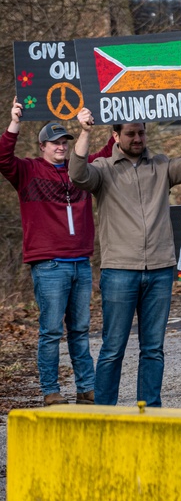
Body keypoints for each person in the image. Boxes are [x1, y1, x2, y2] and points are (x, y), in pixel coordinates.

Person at [69, 99, 181, 407]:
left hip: (161, 269)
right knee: (113, 347)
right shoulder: (103, 170)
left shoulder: (161, 165)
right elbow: (77, 176)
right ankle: (104, 413)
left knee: (153, 347)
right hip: (119, 271)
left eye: (141, 133)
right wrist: (84, 133)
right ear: (115, 135)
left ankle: (150, 410)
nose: (137, 139)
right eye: (130, 134)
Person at [0, 100, 114, 406]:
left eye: (65, 141)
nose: (61, 147)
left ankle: (86, 389)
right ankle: (51, 391)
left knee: (79, 330)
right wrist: (14, 123)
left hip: (81, 262)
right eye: (55, 143)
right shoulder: (27, 171)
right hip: (49, 265)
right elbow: (2, 157)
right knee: (50, 331)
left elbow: (106, 155)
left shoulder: (81, 170)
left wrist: (117, 125)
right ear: (42, 147)